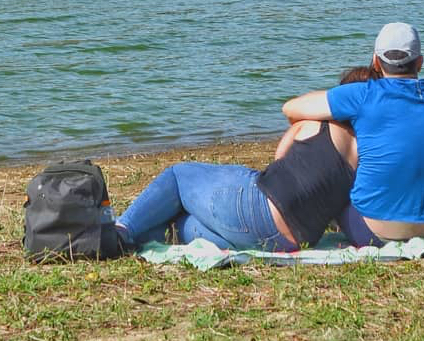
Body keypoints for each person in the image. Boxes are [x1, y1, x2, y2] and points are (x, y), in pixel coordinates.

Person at [115, 66, 371, 253]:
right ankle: (130, 238)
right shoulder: (367, 152)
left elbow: (279, 158)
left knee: (178, 176)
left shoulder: (316, 124)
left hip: (259, 210)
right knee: (183, 225)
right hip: (288, 242)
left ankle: (119, 231)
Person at [283, 22, 424, 245]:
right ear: (420, 62)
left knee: (326, 128)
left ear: (376, 61)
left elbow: (290, 108)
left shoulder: (364, 94)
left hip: (374, 231)